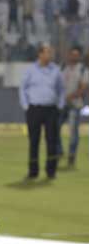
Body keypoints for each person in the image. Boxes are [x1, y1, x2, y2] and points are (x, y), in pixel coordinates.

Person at [19, 42, 64, 179]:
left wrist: (60, 105)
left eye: (50, 52)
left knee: (52, 140)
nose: (49, 55)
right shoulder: (31, 70)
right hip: (34, 109)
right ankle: (33, 172)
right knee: (34, 141)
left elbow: (61, 90)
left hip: (51, 109)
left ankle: (51, 171)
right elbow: (23, 88)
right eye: (46, 52)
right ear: (40, 54)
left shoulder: (56, 70)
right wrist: (26, 106)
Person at [60, 46, 87, 167]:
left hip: (75, 104)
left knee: (73, 132)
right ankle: (59, 151)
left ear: (79, 56)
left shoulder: (82, 70)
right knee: (54, 128)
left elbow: (83, 88)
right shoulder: (63, 68)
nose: (74, 57)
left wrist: (71, 96)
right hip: (62, 104)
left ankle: (72, 155)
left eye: (76, 55)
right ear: (69, 55)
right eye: (72, 54)